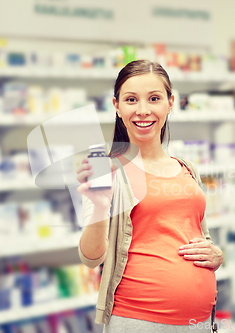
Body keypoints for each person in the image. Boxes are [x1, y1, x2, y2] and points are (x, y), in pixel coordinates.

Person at [76, 60, 224, 332]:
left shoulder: (187, 169)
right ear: (116, 106)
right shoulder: (107, 170)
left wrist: (216, 255)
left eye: (154, 98)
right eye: (131, 99)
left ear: (170, 103)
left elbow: (199, 236)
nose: (143, 110)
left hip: (200, 322)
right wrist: (98, 206)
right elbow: (91, 257)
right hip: (139, 320)